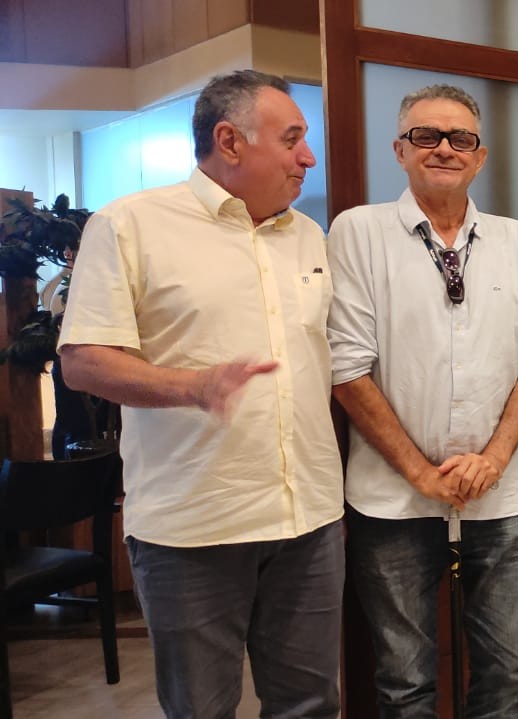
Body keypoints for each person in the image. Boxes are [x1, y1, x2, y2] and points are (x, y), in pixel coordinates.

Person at [57, 69, 342, 718]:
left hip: (308, 518)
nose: (308, 157)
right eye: (292, 139)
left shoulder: (307, 234)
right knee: (202, 709)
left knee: (310, 704)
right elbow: (82, 362)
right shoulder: (129, 224)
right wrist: (193, 385)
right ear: (230, 141)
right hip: (194, 526)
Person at [327, 84, 518, 717]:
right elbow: (346, 367)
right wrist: (421, 473)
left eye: (461, 138)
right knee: (404, 683)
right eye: (426, 135)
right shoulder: (359, 232)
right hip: (392, 500)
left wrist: (496, 457)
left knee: (507, 672)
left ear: (480, 157)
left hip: (500, 497)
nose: (444, 149)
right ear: (400, 150)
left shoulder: (516, 240)